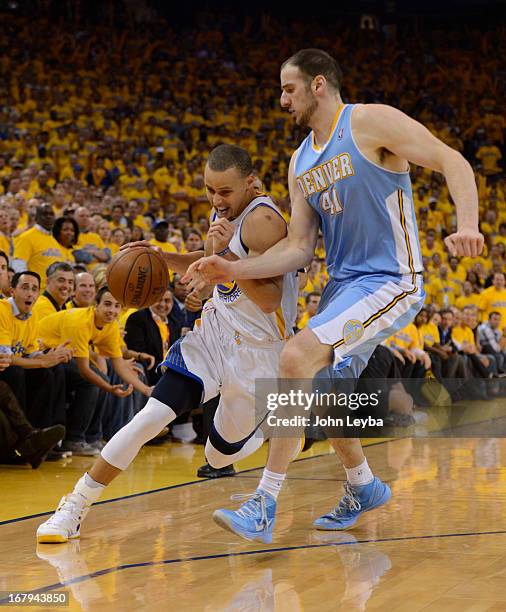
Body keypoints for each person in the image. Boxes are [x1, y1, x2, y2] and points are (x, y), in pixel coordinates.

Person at [183, 49, 483, 543]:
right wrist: (232, 268)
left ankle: (265, 501)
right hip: (344, 287)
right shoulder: (300, 160)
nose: (282, 100)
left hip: (391, 278)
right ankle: (362, 484)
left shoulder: (370, 121)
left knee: (296, 356)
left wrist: (466, 224)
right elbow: (299, 248)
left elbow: (452, 159)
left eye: (288, 89)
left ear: (317, 84)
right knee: (321, 396)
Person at [36, 144, 299, 543]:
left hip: (261, 351)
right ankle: (74, 506)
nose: (216, 200)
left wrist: (226, 259)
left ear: (249, 183)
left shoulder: (264, 221)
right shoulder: (225, 210)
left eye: (224, 192)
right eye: (209, 190)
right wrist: (159, 255)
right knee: (149, 417)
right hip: (215, 334)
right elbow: (207, 259)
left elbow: (268, 300)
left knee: (218, 455)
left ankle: (272, 432)